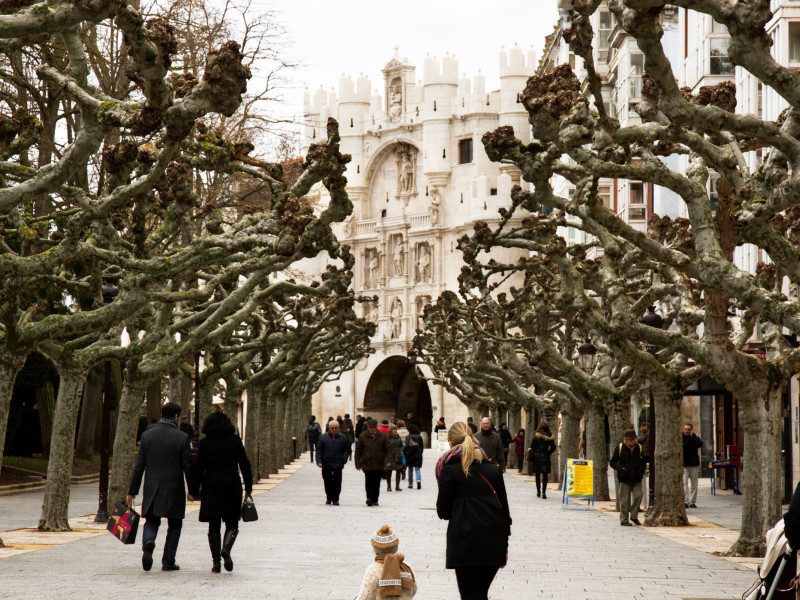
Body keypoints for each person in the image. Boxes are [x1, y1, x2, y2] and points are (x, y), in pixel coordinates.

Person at [436, 422, 511, 600]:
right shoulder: (493, 470)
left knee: (470, 594)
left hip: (464, 543)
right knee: (480, 593)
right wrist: (504, 547)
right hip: (494, 542)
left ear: (451, 443)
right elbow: (504, 511)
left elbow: (443, 511)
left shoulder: (449, 470)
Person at [127, 402, 194, 572]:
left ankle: (148, 542)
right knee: (175, 524)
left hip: (152, 486)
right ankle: (168, 561)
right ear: (177, 417)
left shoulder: (147, 436)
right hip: (174, 487)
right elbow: (188, 466)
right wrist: (193, 491)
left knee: (151, 521)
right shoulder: (182, 437)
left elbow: (139, 466)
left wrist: (132, 491)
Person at [188, 411, 252, 573]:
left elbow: (199, 468)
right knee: (232, 521)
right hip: (231, 483)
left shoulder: (205, 443)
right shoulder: (235, 441)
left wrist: (193, 490)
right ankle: (227, 549)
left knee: (214, 523)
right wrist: (248, 488)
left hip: (212, 484)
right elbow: (245, 465)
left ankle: (216, 562)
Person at [355, 524, 417, 599]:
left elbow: (366, 596)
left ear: (375, 549)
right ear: (396, 547)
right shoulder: (406, 567)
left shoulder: (373, 571)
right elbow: (414, 589)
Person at [610, 429, 646, 526]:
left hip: (636, 477)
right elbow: (612, 462)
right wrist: (621, 468)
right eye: (629, 440)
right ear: (625, 440)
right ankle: (624, 519)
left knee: (638, 495)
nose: (631, 441)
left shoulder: (639, 448)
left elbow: (643, 462)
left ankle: (634, 516)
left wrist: (640, 471)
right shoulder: (620, 448)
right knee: (624, 500)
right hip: (624, 478)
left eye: (633, 439)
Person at [355, 418, 394, 506]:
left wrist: (389, 460)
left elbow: (389, 449)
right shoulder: (362, 436)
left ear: (376, 427)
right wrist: (358, 463)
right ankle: (369, 498)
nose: (372, 429)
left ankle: (375, 499)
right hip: (367, 463)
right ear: (368, 427)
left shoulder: (382, 436)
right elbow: (358, 451)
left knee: (376, 482)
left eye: (373, 427)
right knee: (368, 481)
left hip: (378, 463)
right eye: (370, 427)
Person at [316, 420, 352, 506]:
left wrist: (344, 459)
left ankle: (336, 498)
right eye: (332, 428)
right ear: (329, 428)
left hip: (338, 463)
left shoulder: (343, 438)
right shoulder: (323, 437)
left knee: (337, 482)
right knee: (327, 481)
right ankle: (329, 497)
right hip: (326, 463)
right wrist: (319, 461)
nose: (334, 430)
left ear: (338, 428)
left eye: (336, 428)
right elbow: (319, 450)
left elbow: (347, 449)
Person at [529, 422, 556, 498]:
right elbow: (553, 447)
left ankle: (538, 491)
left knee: (537, 475)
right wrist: (548, 453)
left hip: (536, 456)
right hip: (545, 456)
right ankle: (544, 492)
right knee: (545, 475)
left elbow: (532, 447)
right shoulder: (549, 436)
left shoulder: (535, 436)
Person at [683, 423, 704, 508]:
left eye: (688, 429)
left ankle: (692, 502)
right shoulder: (681, 438)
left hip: (694, 464)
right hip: (684, 464)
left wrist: (691, 437)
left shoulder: (695, 438)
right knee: (684, 483)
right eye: (685, 429)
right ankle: (685, 501)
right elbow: (683, 446)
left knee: (694, 484)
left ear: (691, 430)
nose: (687, 431)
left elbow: (699, 444)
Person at [385, 424, 405, 492]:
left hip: (397, 456)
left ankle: (397, 486)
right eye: (394, 429)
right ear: (390, 430)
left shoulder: (398, 437)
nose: (395, 430)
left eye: (396, 429)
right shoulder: (387, 437)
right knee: (389, 471)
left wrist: (400, 450)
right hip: (389, 456)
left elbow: (402, 446)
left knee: (398, 470)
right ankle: (389, 486)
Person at [404, 423, 424, 489]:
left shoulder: (408, 437)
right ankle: (418, 481)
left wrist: (404, 453)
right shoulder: (419, 437)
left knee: (410, 469)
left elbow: (406, 446)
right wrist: (420, 453)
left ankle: (410, 484)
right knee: (417, 469)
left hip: (410, 454)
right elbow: (422, 446)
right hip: (418, 453)